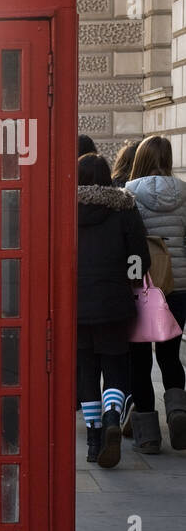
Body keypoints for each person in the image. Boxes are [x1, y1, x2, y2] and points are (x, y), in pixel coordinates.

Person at [76, 153, 148, 467]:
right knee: (116, 368)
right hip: (116, 303)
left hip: (75, 305)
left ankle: (93, 441)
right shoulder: (125, 208)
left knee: (87, 371)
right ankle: (111, 419)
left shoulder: (65, 209)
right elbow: (140, 260)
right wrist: (127, 279)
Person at [124, 135, 186, 452]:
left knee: (138, 360)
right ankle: (177, 411)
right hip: (177, 287)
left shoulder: (129, 193)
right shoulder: (185, 192)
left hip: (141, 285)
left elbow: (126, 241)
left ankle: (148, 434)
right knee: (169, 355)